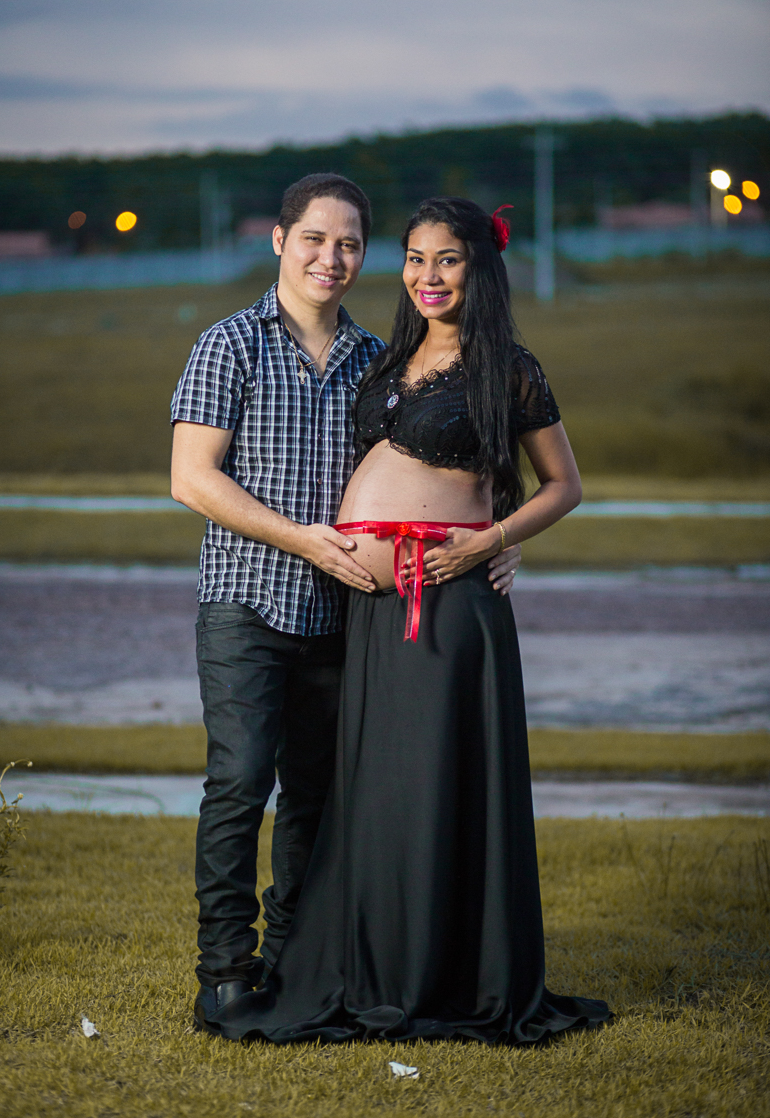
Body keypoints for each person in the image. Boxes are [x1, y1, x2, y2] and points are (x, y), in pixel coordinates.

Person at [198, 196, 611, 1045]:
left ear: (479, 269)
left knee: (435, 783)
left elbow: (562, 485)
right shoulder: (386, 360)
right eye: (416, 259)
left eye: (448, 260)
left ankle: (439, 974)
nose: (427, 276)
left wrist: (495, 539)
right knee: (373, 792)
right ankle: (332, 961)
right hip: (367, 609)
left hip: (446, 602)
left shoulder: (510, 367)